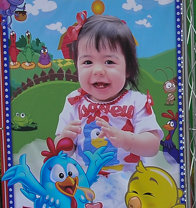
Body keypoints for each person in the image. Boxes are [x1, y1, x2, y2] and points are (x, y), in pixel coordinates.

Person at [56, 15, 161, 166]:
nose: (98, 70)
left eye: (109, 62)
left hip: (131, 184)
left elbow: (152, 146)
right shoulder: (74, 101)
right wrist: (65, 139)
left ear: (128, 69)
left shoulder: (137, 102)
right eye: (87, 62)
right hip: (87, 182)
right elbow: (60, 153)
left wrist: (125, 139)